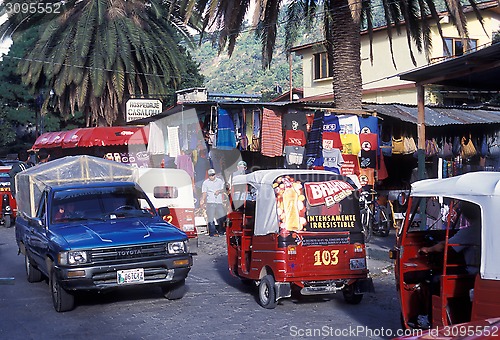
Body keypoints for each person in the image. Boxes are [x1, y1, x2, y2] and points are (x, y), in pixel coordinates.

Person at [200, 168, 227, 237]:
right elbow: (204, 192)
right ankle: (212, 232)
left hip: (219, 202)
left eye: (213, 175)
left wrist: (219, 191)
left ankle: (221, 231)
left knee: (221, 217)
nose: (212, 176)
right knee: (211, 218)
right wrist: (202, 200)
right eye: (211, 175)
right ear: (208, 176)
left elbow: (223, 189)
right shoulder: (205, 183)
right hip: (210, 201)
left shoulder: (220, 181)